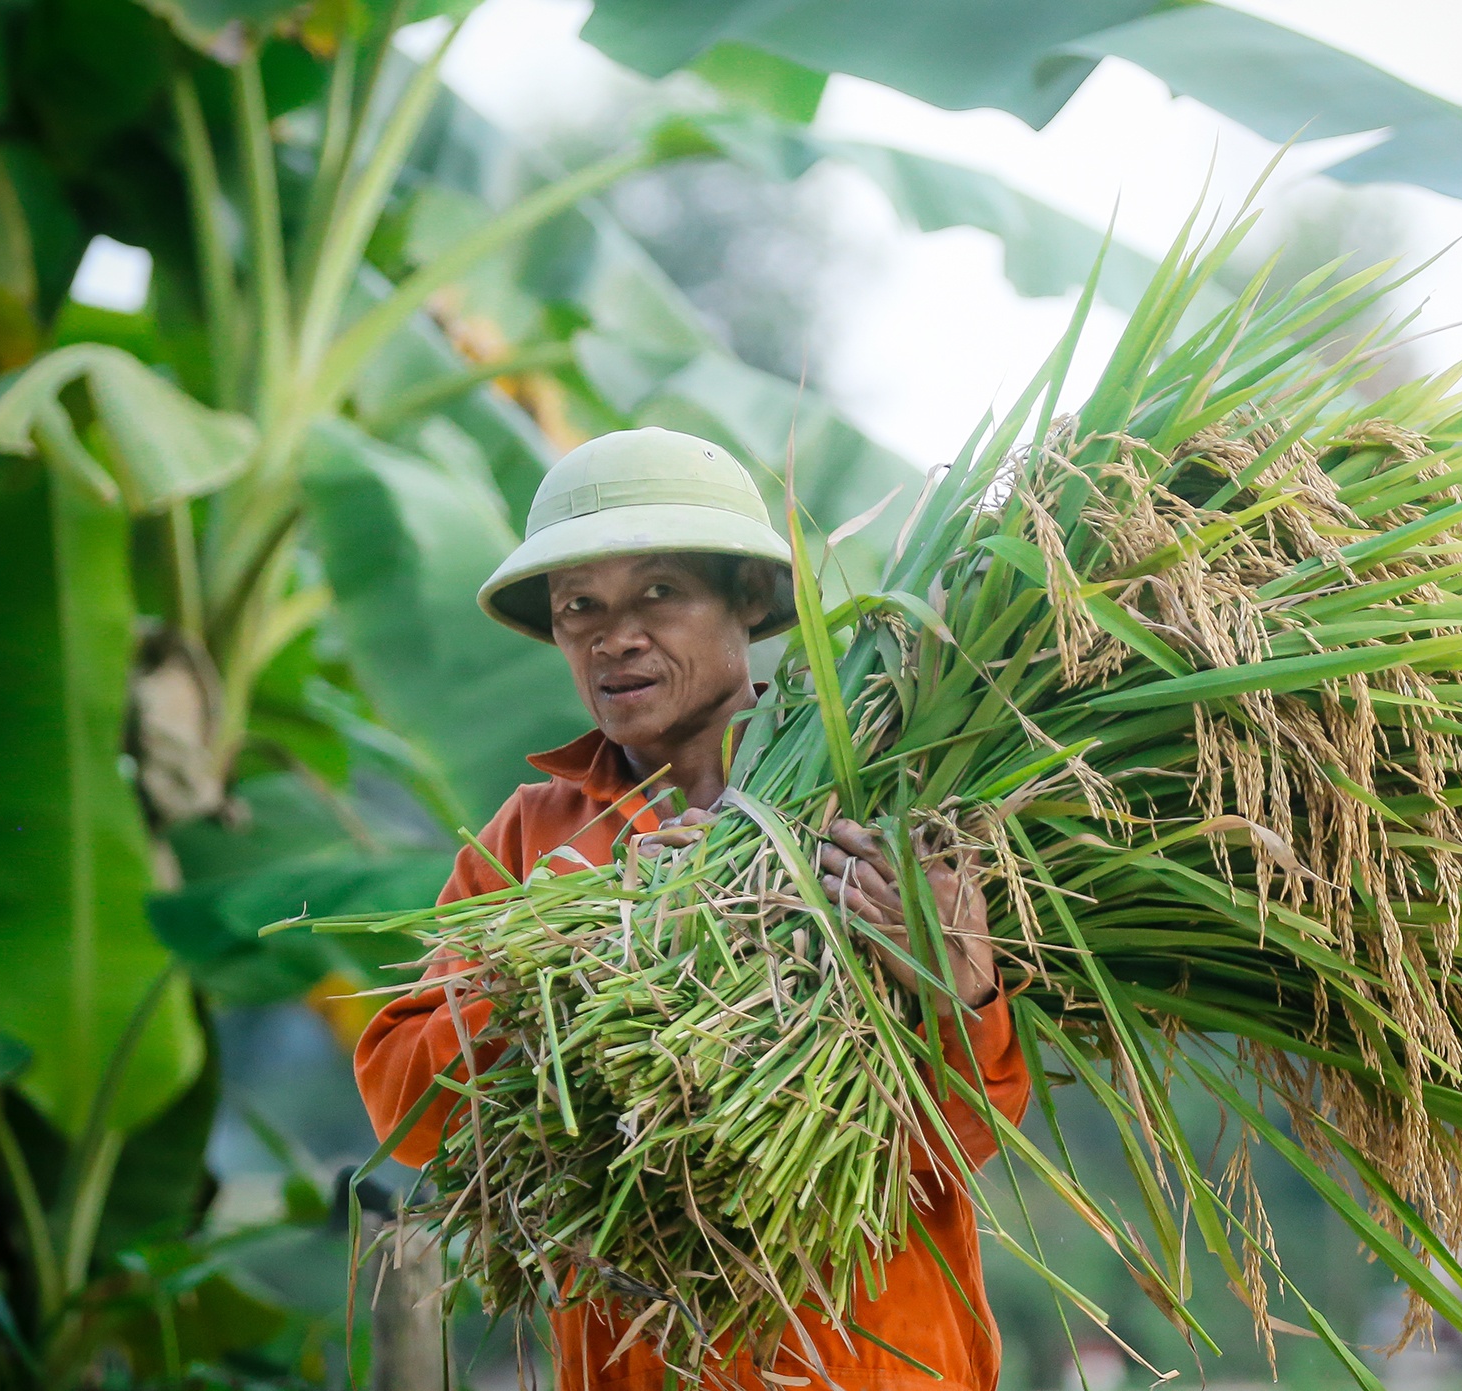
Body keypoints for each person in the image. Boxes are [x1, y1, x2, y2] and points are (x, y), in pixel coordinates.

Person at [353, 427, 1029, 1391]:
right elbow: (409, 1109)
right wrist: (575, 947)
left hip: (867, 1355)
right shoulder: (533, 841)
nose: (612, 636)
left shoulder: (880, 799)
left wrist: (958, 990)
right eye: (578, 605)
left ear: (748, 600)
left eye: (657, 593)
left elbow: (960, 1135)